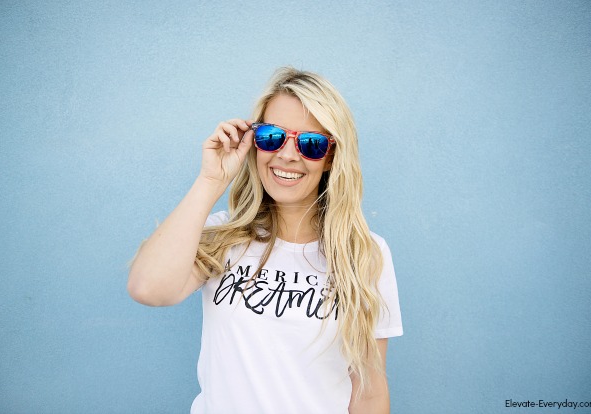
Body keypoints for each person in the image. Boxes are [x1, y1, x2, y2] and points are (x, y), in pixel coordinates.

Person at [127, 67, 403, 414]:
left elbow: (369, 393)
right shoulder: (223, 238)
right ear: (254, 142)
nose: (287, 155)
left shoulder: (364, 254)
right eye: (272, 136)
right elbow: (147, 289)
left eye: (311, 143)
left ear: (331, 157)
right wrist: (211, 181)